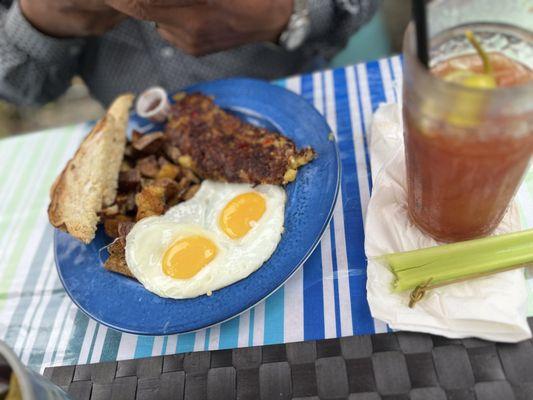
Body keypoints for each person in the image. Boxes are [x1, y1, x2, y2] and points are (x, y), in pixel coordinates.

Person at [0, 0, 377, 107]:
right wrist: (38, 18)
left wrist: (288, 14)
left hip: (292, 101)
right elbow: (22, 91)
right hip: (141, 143)